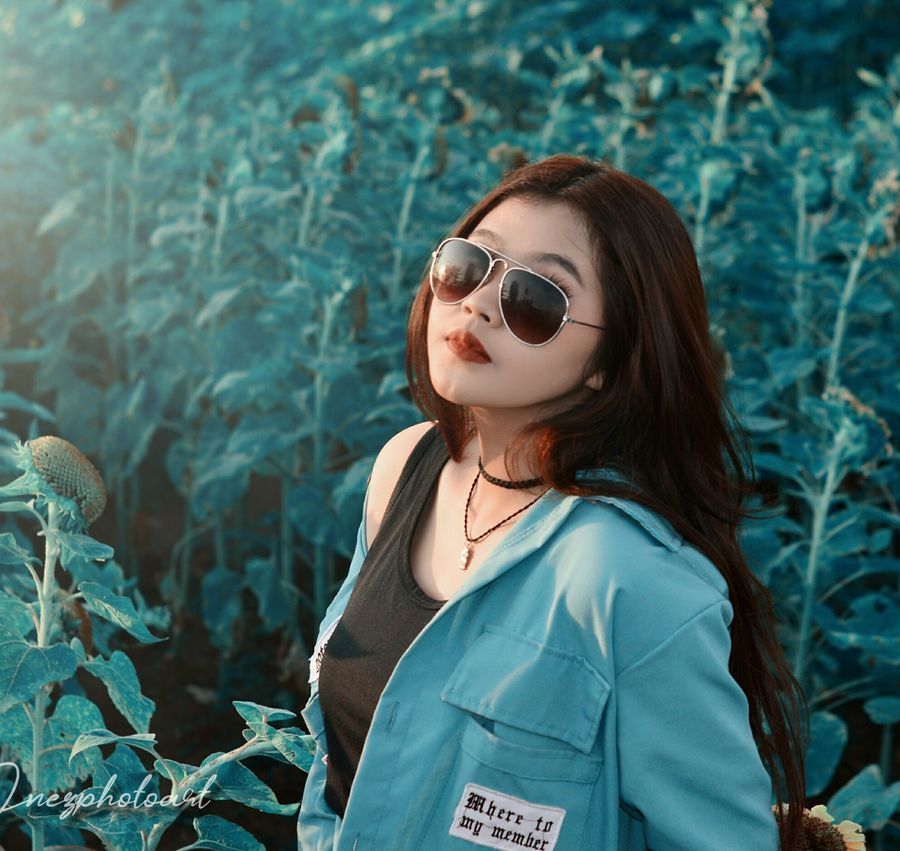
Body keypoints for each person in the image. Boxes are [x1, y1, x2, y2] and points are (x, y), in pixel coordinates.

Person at [297, 154, 808, 850]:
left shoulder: (630, 577)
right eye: (467, 266)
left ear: (609, 360)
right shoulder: (405, 467)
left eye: (535, 299)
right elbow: (343, 768)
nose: (476, 303)